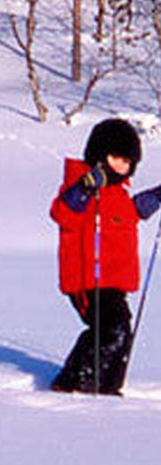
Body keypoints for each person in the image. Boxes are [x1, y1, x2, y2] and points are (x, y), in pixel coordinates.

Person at [49, 118, 161, 394]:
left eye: (127, 161)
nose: (121, 166)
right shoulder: (78, 186)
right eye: (116, 158)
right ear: (99, 154)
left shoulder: (118, 194)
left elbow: (133, 212)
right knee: (112, 330)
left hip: (114, 282)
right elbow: (62, 213)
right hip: (88, 280)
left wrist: (157, 196)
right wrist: (85, 188)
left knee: (119, 332)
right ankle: (81, 383)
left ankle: (104, 386)